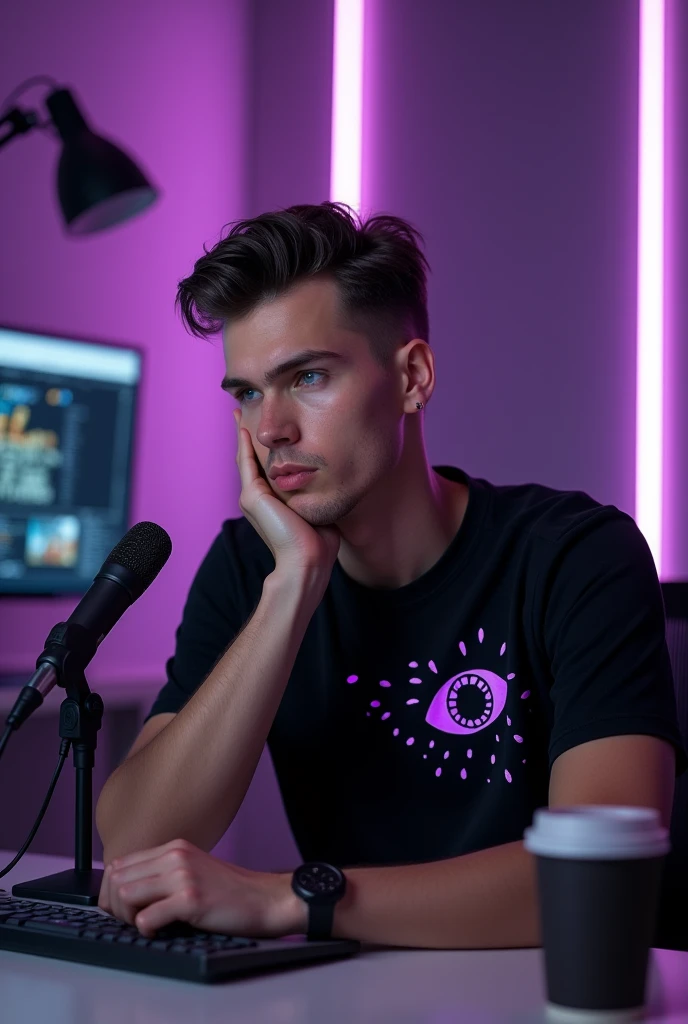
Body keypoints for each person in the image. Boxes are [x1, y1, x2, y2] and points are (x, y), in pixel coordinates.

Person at [95, 201, 687, 949]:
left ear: (411, 377)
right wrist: (291, 592)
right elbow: (135, 844)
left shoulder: (575, 556)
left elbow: (602, 883)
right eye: (247, 393)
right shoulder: (254, 569)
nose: (270, 428)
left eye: (307, 376)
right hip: (353, 994)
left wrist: (293, 901)